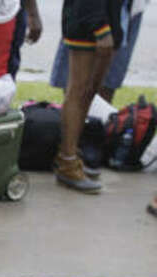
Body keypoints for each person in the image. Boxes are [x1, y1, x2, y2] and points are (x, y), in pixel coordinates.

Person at [53, 0, 124, 193]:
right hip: (89, 22)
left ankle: (70, 155)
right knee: (79, 91)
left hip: (103, 19)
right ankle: (67, 161)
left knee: (88, 93)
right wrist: (100, 28)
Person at [49, 0, 150, 104]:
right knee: (78, 89)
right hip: (94, 9)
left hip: (128, 8)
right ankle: (77, 119)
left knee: (107, 84)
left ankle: (97, 118)